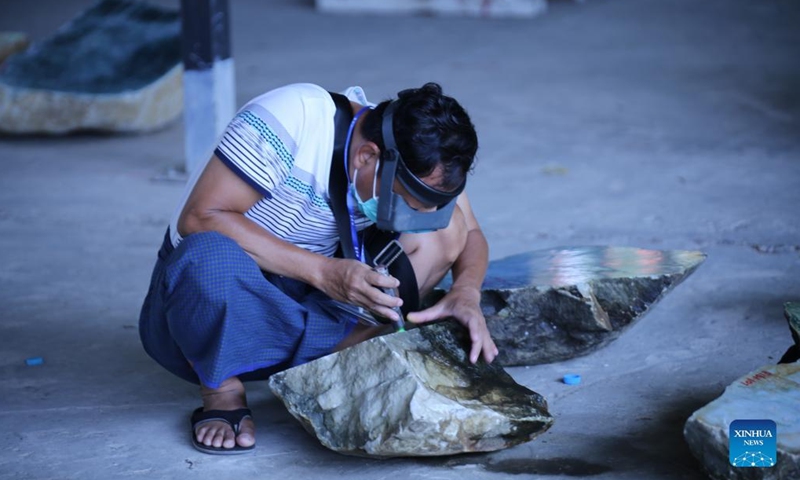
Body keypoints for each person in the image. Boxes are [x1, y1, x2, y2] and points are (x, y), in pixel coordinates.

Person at [138, 82, 498, 455]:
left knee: (447, 228)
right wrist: (324, 272)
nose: (415, 213)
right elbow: (199, 216)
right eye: (406, 200)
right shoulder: (293, 118)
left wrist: (466, 291)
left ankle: (323, 371)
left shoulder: (423, 158)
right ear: (366, 157)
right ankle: (223, 390)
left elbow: (470, 232)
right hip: (216, 309)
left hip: (314, 302)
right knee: (207, 255)